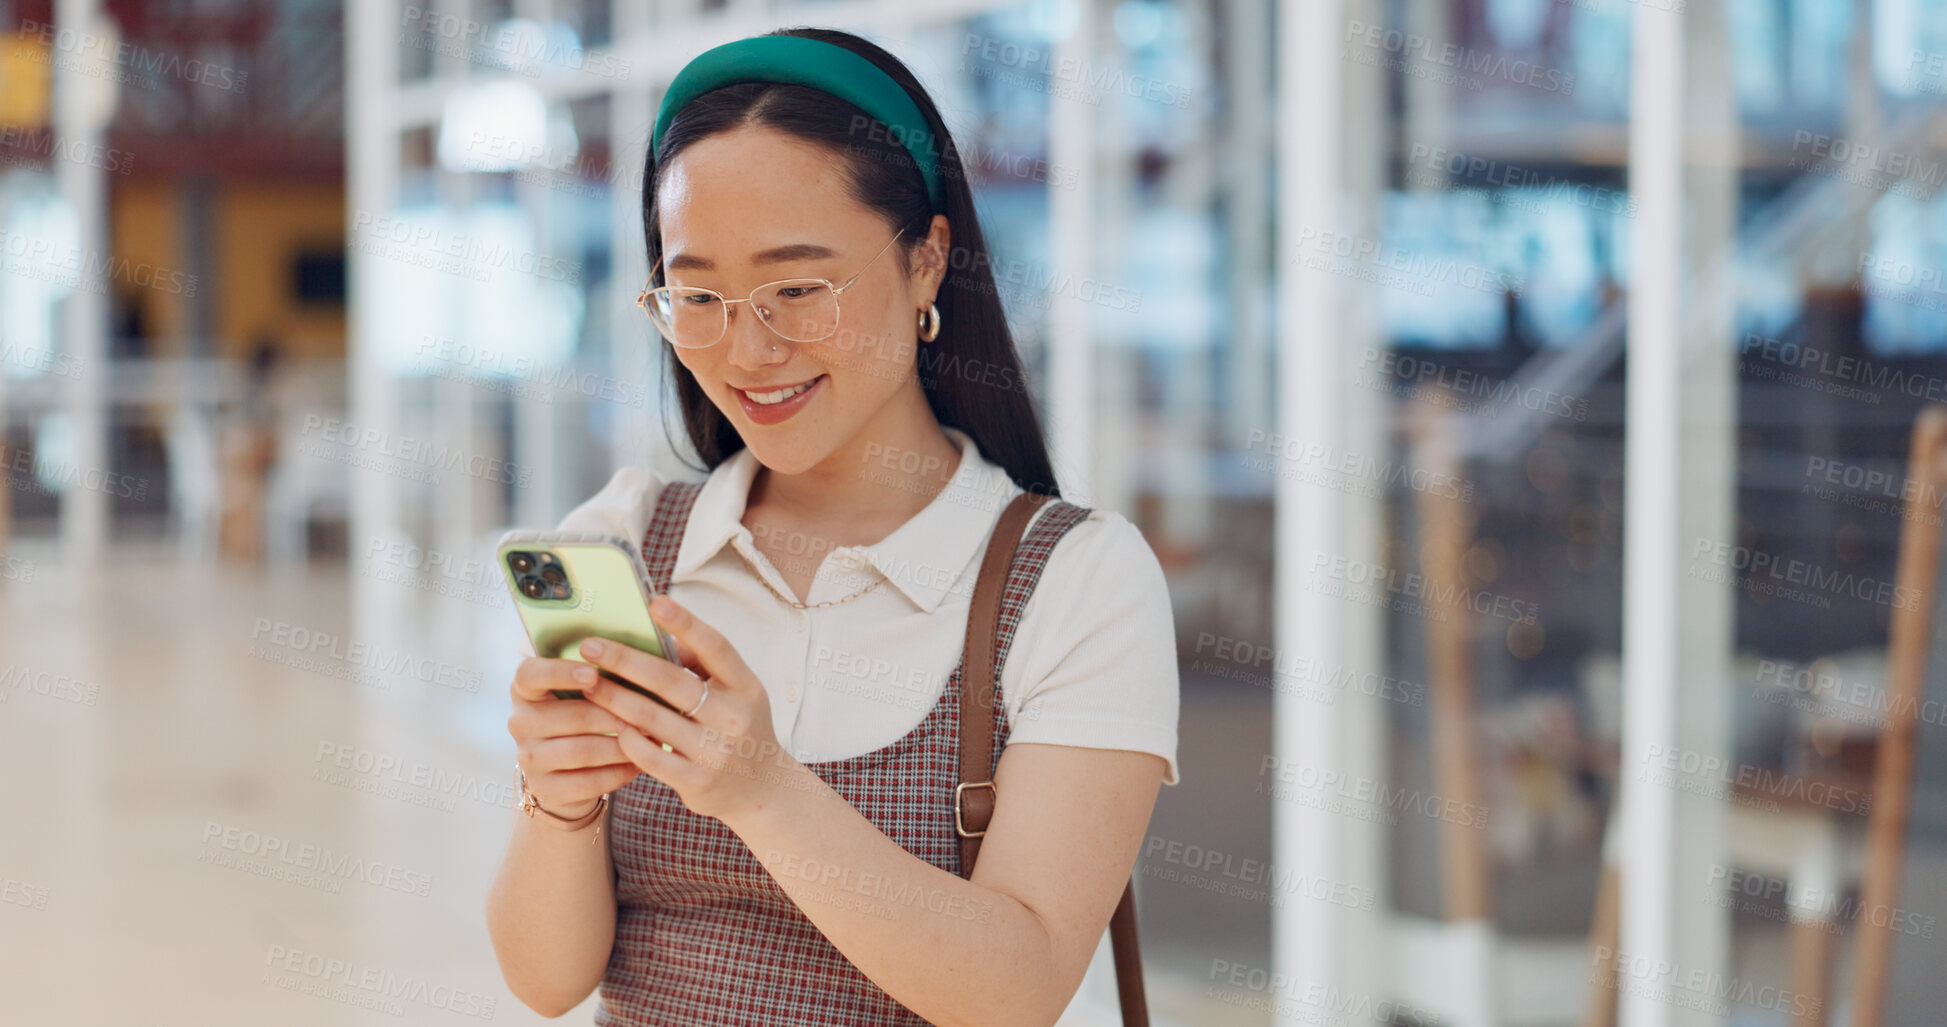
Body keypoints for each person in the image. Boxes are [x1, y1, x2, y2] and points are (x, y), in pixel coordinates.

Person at [485, 27, 1180, 1026]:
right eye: (699, 295)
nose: (747, 347)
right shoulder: (625, 542)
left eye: (798, 287)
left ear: (927, 260)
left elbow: (1019, 987)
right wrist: (559, 800)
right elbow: (545, 981)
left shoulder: (1072, 580)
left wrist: (763, 789)